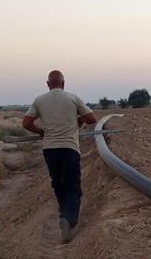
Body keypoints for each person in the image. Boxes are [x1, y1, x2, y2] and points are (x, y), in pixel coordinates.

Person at [22, 70, 97, 243]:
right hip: (69, 148)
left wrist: (41, 131)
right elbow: (92, 118)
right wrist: (79, 120)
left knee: (58, 184)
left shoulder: (39, 100)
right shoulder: (73, 98)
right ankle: (68, 218)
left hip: (50, 149)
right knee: (73, 185)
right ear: (63, 83)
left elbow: (26, 123)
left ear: (48, 84)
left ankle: (64, 213)